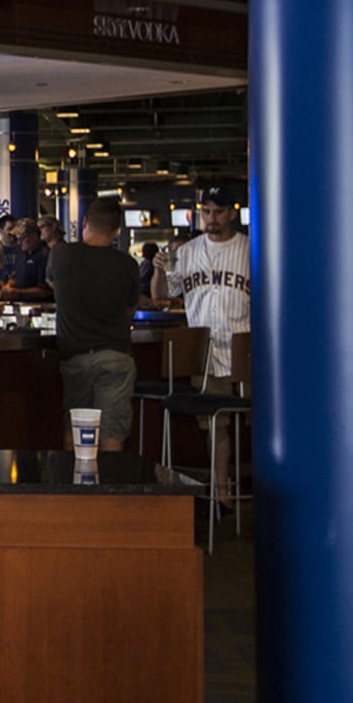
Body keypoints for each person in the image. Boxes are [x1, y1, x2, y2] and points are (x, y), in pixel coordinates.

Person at [154, 185, 253, 494]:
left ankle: (257, 493)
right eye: (206, 211)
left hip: (246, 351)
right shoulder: (187, 251)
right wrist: (158, 271)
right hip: (205, 351)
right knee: (215, 425)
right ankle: (221, 491)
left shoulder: (250, 248)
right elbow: (162, 295)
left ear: (232, 213)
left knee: (255, 425)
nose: (212, 218)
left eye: (218, 211)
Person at [49, 200, 141, 451]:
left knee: (75, 428)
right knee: (112, 431)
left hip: (75, 356)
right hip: (116, 355)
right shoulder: (128, 265)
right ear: (117, 231)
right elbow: (130, 312)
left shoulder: (61, 254)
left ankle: (73, 476)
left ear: (85, 222)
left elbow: (53, 285)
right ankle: (110, 476)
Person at [2, 217, 55, 299]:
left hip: (40, 304)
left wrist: (18, 293)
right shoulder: (20, 252)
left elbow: (46, 290)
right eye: (17, 239)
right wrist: (8, 286)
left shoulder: (45, 255)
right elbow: (14, 276)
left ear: (34, 235)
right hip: (19, 303)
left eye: (22, 238)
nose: (19, 242)